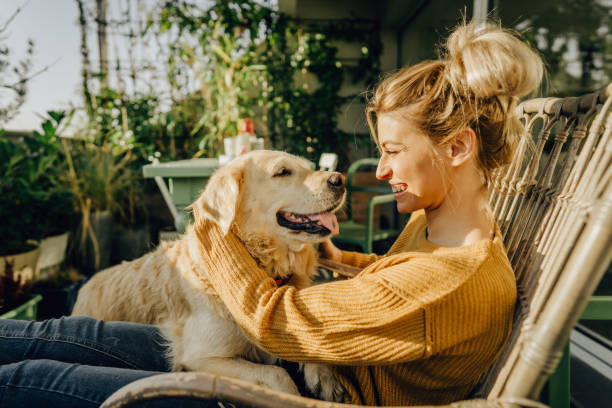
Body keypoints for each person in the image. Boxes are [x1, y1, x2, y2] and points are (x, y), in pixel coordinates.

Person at [0, 21, 543, 407]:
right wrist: (337, 254)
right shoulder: (444, 230)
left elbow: (274, 322)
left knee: (30, 376)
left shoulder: (449, 281)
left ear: (456, 149)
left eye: (393, 152)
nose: (379, 170)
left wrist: (212, 232)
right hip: (282, 360)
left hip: (287, 385)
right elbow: (390, 284)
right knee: (54, 333)